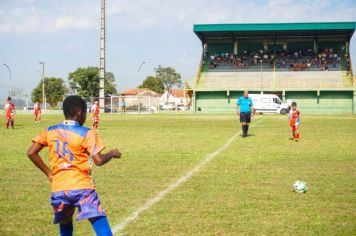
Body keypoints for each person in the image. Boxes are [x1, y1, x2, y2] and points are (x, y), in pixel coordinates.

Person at [27, 95, 121, 236]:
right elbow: (99, 160)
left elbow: (31, 152)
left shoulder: (50, 131)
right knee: (101, 227)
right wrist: (112, 153)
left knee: (65, 225)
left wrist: (49, 173)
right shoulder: (87, 133)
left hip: (59, 189)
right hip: (82, 188)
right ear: (79, 113)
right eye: (85, 113)